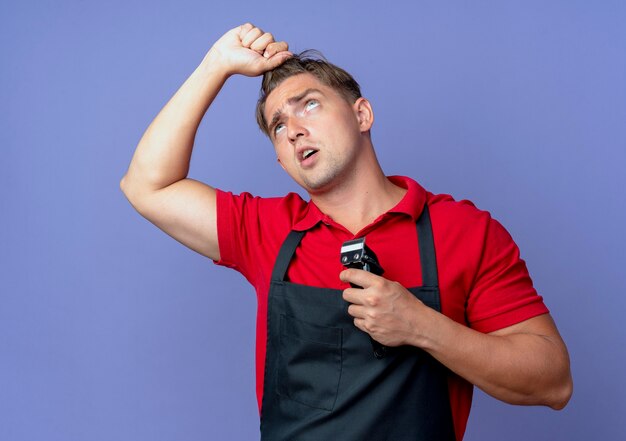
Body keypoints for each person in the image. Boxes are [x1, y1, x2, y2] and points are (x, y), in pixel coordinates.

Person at [120, 23, 573, 440]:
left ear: (362, 115)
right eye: (279, 126)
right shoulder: (265, 229)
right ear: (281, 160)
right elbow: (146, 185)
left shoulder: (465, 231)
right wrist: (216, 64)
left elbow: (553, 381)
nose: (295, 130)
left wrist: (422, 327)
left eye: (309, 105)